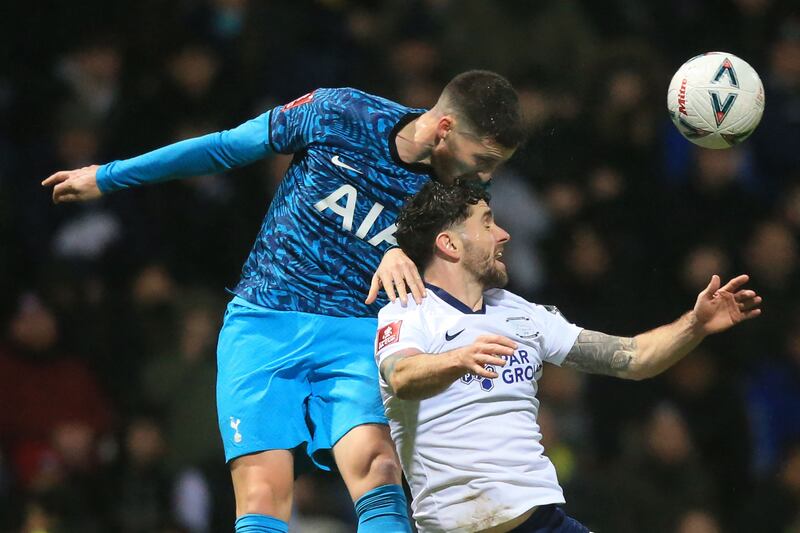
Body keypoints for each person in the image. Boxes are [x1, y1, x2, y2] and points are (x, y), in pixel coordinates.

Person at [42, 70, 524, 533]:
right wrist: (108, 177)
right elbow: (226, 148)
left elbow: (462, 270)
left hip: (361, 333)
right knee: (263, 494)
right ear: (444, 128)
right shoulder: (340, 113)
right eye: (483, 159)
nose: (485, 175)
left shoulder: (464, 190)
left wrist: (413, 259)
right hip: (265, 321)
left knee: (379, 470)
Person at [375, 180, 762, 533]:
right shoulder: (408, 312)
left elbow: (634, 358)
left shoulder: (523, 313)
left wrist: (694, 325)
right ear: (451, 244)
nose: (504, 235)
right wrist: (458, 359)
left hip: (541, 522)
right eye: (488, 224)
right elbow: (401, 376)